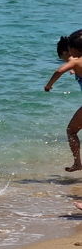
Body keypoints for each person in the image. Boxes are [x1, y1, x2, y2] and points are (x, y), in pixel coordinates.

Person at [44, 29, 82, 172]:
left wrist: (48, 85)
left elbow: (59, 71)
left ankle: (78, 163)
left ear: (70, 50)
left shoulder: (74, 62)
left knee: (71, 131)